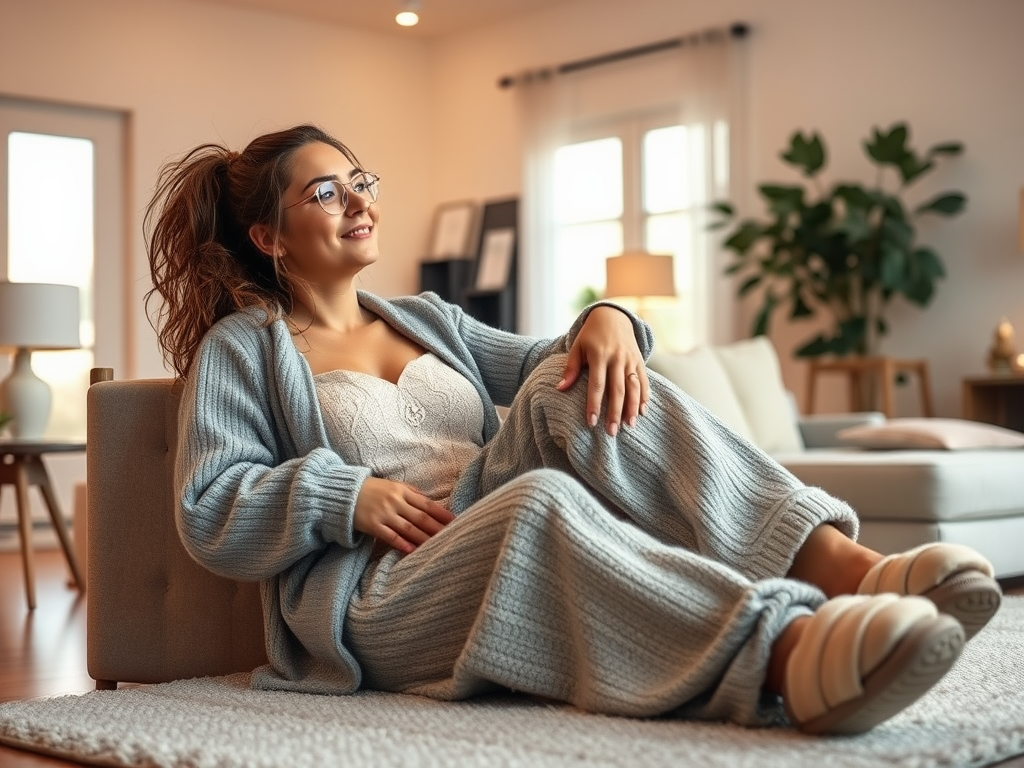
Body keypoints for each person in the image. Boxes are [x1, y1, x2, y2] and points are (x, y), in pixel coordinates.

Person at [144, 123, 1002, 736]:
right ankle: (784, 651)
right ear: (269, 235)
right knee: (539, 501)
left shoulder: (428, 318)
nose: (356, 202)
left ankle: (845, 568)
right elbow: (208, 506)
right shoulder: (245, 348)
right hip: (378, 593)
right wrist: (346, 495)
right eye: (323, 193)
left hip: (480, 509)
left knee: (577, 382)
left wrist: (609, 318)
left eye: (360, 180)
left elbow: (556, 364)